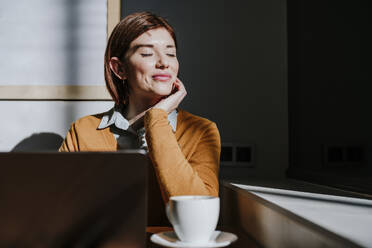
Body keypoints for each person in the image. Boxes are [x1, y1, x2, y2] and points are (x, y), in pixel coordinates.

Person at [59, 12, 221, 229]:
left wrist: (156, 120)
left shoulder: (201, 131)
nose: (164, 63)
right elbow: (60, 211)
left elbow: (199, 221)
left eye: (171, 54)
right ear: (119, 69)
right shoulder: (83, 130)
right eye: (147, 53)